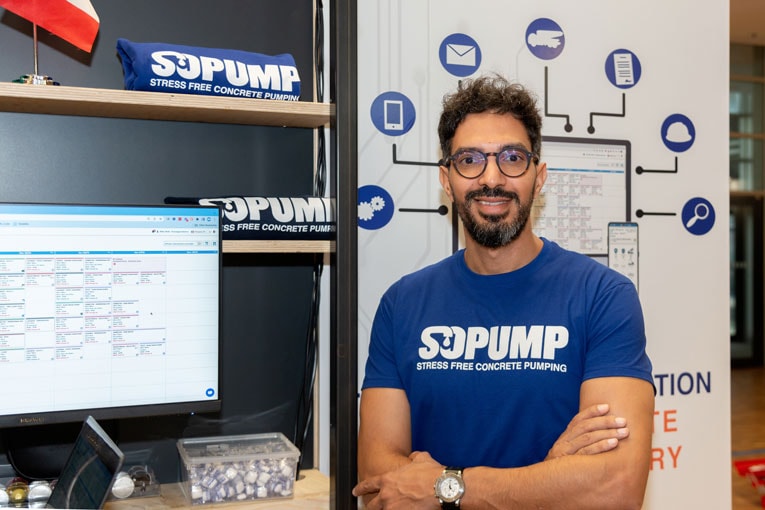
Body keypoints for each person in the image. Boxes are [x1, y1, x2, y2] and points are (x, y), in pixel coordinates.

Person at [353, 75, 655, 510]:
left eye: (512, 158)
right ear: (446, 177)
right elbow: (379, 482)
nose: (491, 178)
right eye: (470, 160)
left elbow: (616, 488)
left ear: (539, 175)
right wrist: (550, 473)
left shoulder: (603, 296)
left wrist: (445, 488)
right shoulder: (402, 305)